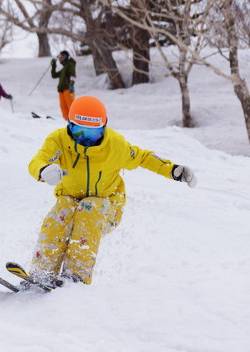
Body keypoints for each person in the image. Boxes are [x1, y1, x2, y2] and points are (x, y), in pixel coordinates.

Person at [26, 95, 197, 286]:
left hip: (106, 207)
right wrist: (43, 171)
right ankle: (42, 272)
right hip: (71, 200)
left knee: (89, 207)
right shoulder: (58, 141)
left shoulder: (115, 146)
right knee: (61, 211)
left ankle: (76, 276)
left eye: (92, 134)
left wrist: (173, 170)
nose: (86, 140)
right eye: (79, 132)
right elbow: (37, 161)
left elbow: (143, 157)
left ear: (104, 128)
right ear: (69, 126)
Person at [50, 50, 77, 120]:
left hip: (68, 89)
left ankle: (75, 121)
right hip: (61, 90)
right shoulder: (64, 69)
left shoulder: (70, 64)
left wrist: (71, 85)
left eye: (62, 57)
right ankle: (67, 121)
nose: (60, 59)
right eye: (59, 58)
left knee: (71, 106)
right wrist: (53, 65)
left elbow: (73, 75)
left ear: (66, 57)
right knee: (63, 107)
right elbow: (54, 75)